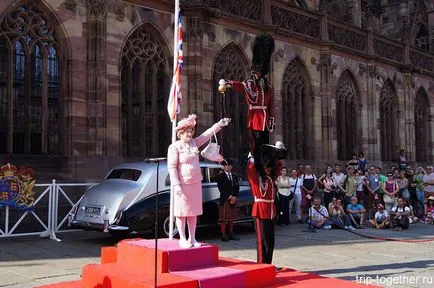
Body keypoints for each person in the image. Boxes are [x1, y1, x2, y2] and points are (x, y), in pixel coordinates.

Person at [167, 114, 231, 248]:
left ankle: (192, 238)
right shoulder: (175, 147)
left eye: (191, 131)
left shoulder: (195, 143)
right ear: (180, 134)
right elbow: (172, 167)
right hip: (182, 184)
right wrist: (176, 184)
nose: (189, 134)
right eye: (186, 132)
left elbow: (207, 135)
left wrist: (219, 125)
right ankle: (182, 238)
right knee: (182, 212)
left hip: (195, 183)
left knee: (193, 212)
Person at [219, 34, 275, 179]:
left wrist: (271, 121)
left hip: (264, 120)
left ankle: (265, 165)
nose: (258, 75)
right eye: (257, 72)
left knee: (265, 145)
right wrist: (227, 82)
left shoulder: (267, 87)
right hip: (254, 118)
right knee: (255, 145)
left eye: (260, 73)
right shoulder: (248, 84)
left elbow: (271, 106)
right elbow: (238, 85)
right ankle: (257, 165)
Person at [247, 142, 287, 265]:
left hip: (270, 212)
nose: (268, 170)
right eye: (266, 168)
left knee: (270, 241)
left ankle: (268, 264)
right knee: (262, 241)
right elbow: (250, 170)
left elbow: (279, 167)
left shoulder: (270, 179)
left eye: (269, 168)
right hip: (260, 211)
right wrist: (252, 157)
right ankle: (261, 265)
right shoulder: (256, 180)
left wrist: (279, 153)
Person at [216, 159, 240, 241]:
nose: (226, 167)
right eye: (225, 165)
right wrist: (229, 197)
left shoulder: (234, 176)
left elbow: (237, 187)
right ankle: (223, 234)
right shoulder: (220, 176)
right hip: (225, 200)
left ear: (231, 167)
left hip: (233, 199)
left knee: (231, 218)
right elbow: (221, 189)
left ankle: (231, 233)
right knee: (224, 219)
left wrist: (235, 196)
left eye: (228, 165)